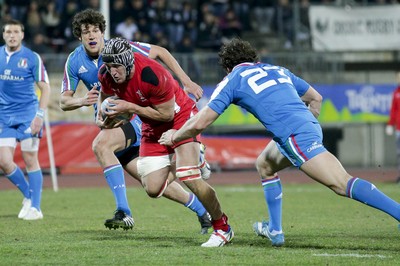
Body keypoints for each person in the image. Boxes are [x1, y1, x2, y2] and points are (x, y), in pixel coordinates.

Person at [159, 38, 400, 247]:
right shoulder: (277, 69)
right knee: (265, 164)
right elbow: (316, 98)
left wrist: (176, 135)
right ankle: (275, 230)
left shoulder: (233, 78)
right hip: (305, 127)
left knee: (341, 183)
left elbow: (202, 121)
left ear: (228, 66)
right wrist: (306, 122)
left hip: (295, 135)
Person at [59, 9, 212, 233]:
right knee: (152, 183)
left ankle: (124, 212)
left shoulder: (118, 49)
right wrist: (83, 100)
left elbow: (159, 52)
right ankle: (202, 211)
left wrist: (186, 81)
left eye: (95, 30)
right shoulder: (74, 61)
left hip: (135, 116)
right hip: (112, 121)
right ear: (79, 36)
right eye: (85, 32)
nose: (91, 36)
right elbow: (64, 101)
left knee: (101, 145)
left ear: (103, 32)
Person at [97, 37, 233, 247]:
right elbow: (105, 95)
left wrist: (130, 108)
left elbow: (166, 114)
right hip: (151, 127)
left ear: (127, 62)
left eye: (116, 66)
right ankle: (193, 155)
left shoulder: (152, 75)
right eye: (109, 66)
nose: (112, 71)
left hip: (179, 116)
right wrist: (101, 112)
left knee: (189, 175)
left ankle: (222, 227)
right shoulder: (106, 75)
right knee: (152, 189)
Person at [0, 19, 50, 220]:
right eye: (8, 32)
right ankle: (29, 196)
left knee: (30, 158)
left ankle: (36, 208)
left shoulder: (32, 57)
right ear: (3, 35)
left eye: (16, 32)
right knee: (4, 161)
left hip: (28, 116)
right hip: (4, 117)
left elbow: (45, 87)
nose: (12, 35)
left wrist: (40, 114)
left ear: (22, 35)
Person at [386, 71, 400, 184]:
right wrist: (390, 124)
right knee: (399, 153)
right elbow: (393, 110)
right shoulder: (396, 93)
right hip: (399, 129)